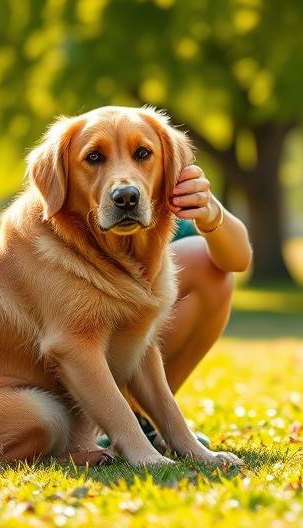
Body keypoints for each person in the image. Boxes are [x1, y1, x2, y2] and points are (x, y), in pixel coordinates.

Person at [109, 162, 252, 450]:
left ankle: (146, 416)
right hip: (58, 379)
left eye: (141, 154)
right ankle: (100, 424)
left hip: (125, 357)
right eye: (97, 157)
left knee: (206, 263)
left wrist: (211, 211)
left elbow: (239, 259)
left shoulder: (164, 203)